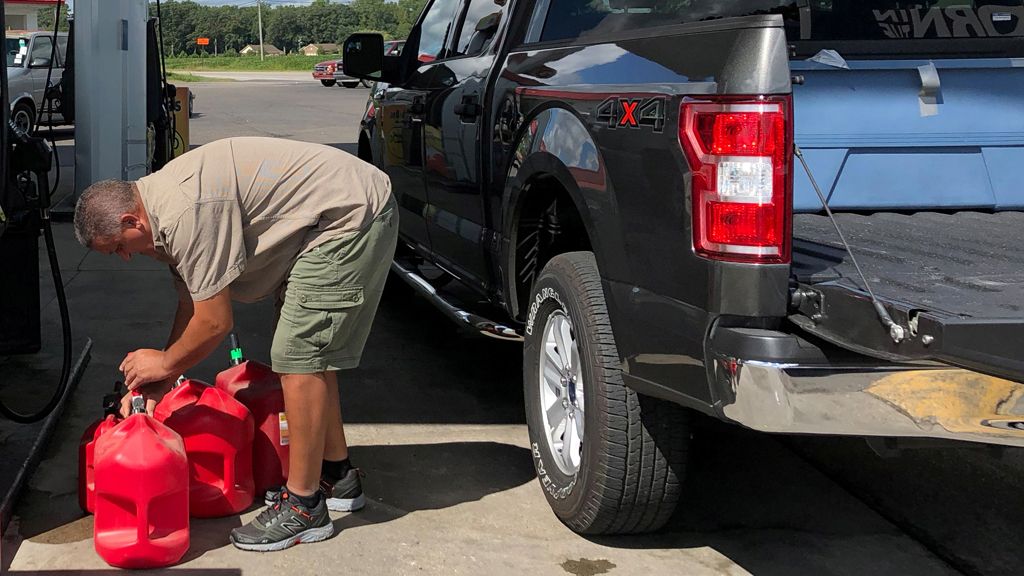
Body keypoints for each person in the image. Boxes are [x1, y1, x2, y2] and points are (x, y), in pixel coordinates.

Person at [73, 137, 398, 552]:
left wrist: (166, 363)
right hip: (327, 216)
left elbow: (214, 322)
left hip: (350, 216)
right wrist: (159, 381)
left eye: (119, 247)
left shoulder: (185, 212)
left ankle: (304, 507)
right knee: (308, 354)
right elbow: (193, 304)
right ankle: (335, 473)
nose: (125, 258)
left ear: (131, 220)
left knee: (298, 357)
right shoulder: (159, 211)